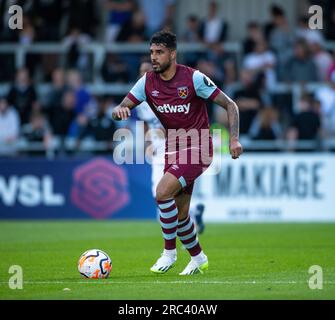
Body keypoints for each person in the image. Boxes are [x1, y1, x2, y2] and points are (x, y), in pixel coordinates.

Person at [112, 31, 242, 275]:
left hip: (199, 146)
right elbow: (123, 105)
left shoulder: (193, 78)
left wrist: (234, 139)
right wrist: (119, 110)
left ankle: (169, 254)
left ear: (172, 54)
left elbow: (230, 105)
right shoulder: (147, 82)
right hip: (173, 148)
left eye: (159, 52)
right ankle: (198, 258)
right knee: (181, 214)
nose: (154, 57)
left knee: (162, 192)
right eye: (152, 52)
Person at [136, 61, 207, 235]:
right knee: (163, 194)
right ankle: (194, 212)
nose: (144, 74)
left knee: (161, 193)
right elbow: (146, 124)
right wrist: (148, 142)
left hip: (173, 146)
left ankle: (174, 240)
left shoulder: (164, 93)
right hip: (157, 148)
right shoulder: (141, 99)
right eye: (141, 71)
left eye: (147, 70)